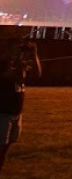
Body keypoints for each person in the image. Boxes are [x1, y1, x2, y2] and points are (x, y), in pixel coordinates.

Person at [0, 39, 40, 174]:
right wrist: (19, 59)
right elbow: (10, 76)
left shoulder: (20, 65)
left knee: (6, 146)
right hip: (3, 113)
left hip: (16, 113)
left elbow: (37, 74)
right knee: (1, 146)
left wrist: (34, 55)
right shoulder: (3, 64)